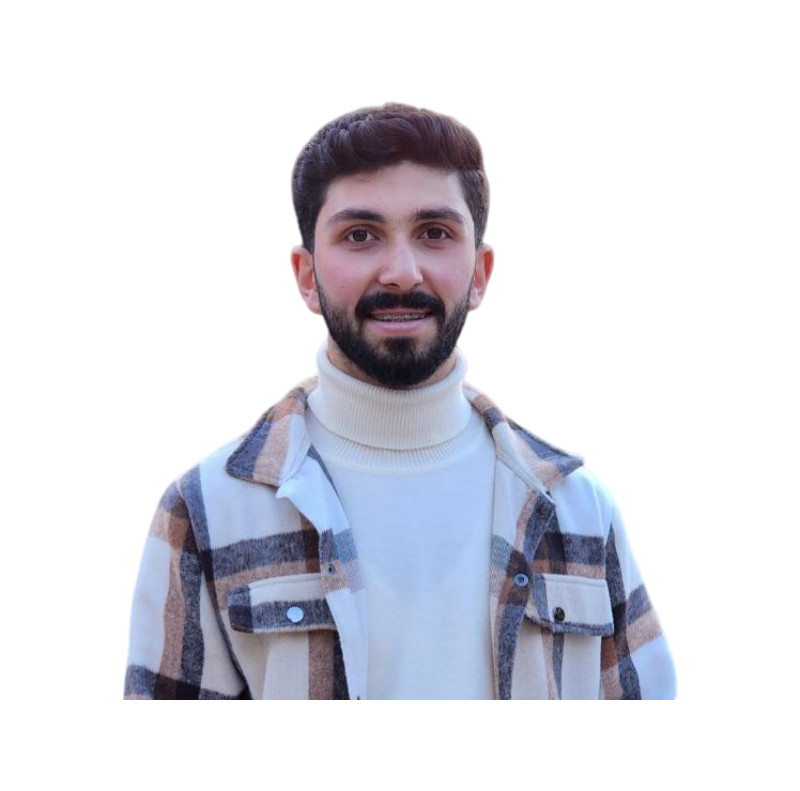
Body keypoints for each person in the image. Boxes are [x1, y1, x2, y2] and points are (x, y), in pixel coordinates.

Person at [124, 103, 676, 700]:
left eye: (435, 233)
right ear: (306, 276)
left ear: (480, 272)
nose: (402, 272)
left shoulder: (579, 512)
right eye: (360, 236)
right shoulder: (206, 511)